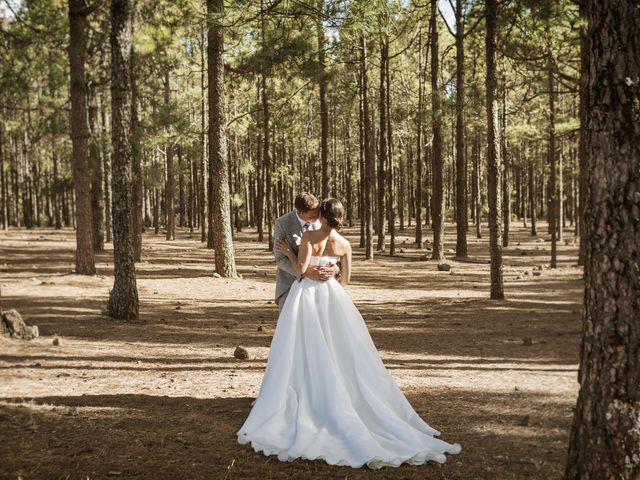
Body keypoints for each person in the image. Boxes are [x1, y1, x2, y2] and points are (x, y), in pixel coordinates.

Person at [236, 198, 461, 469]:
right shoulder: (345, 244)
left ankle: (307, 393)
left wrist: (293, 253)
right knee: (338, 346)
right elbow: (346, 280)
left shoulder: (309, 237)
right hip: (333, 296)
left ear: (322, 215)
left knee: (302, 347)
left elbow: (299, 270)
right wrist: (331, 271)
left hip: (307, 294)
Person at [272, 192, 339, 311]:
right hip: (290, 284)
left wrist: (334, 269)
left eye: (317, 214)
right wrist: (306, 274)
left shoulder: (321, 220)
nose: (316, 219)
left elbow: (333, 251)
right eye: (311, 217)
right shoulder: (282, 223)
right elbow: (280, 259)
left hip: (317, 288)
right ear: (299, 212)